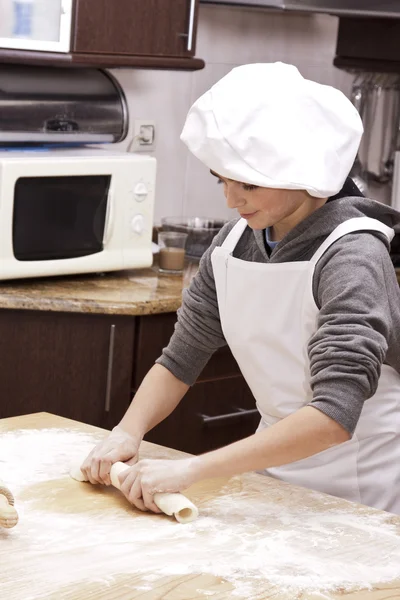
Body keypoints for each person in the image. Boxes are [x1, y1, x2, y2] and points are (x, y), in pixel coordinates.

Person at [81, 62, 400, 515]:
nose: (231, 199)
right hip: (274, 470)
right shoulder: (231, 244)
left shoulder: (352, 257)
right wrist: (128, 432)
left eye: (248, 183)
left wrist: (190, 470)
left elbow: (333, 416)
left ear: (305, 171)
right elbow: (181, 357)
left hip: (362, 486)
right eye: (222, 180)